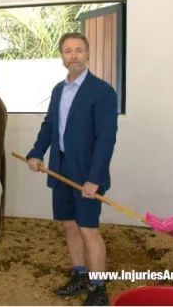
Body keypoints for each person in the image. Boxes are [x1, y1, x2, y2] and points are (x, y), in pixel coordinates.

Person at [26, 32, 118, 306]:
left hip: (87, 172)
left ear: (87, 54)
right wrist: (36, 153)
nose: (73, 55)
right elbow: (49, 126)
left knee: (88, 228)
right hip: (61, 167)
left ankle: (99, 288)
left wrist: (95, 179)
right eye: (68, 51)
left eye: (79, 50)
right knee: (69, 225)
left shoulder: (102, 91)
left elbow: (107, 138)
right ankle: (80, 275)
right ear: (62, 56)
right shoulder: (58, 90)